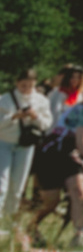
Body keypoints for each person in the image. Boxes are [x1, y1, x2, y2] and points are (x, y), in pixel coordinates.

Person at [22, 69, 83, 247]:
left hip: (68, 154)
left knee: (78, 192)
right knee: (51, 203)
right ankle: (31, 227)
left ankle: (79, 235)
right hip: (51, 154)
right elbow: (81, 143)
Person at [4, 70, 52, 219]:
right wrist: (14, 117)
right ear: (17, 83)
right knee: (1, 183)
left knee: (18, 185)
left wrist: (34, 116)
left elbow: (46, 124)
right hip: (4, 142)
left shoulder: (41, 101)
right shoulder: (4, 100)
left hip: (26, 145)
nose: (26, 89)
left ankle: (10, 219)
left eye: (30, 86)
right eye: (23, 85)